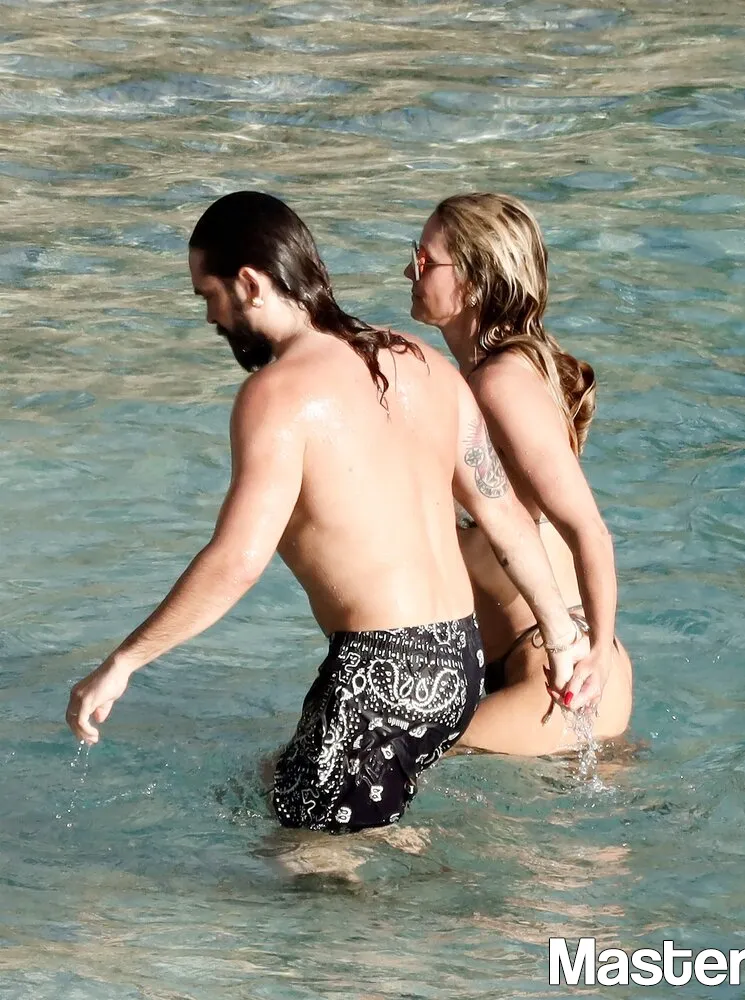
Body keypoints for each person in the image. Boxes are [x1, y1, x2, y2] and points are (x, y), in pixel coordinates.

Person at [66, 191, 584, 833]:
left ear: (250, 283)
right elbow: (505, 519)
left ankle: (424, 898)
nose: (211, 317)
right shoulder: (423, 363)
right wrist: (563, 639)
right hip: (458, 662)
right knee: (283, 785)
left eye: (209, 296)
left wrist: (123, 663)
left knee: (311, 865)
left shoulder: (276, 396)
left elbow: (236, 562)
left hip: (380, 676)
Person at [404, 192, 633, 755]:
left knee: (349, 773)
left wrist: (598, 656)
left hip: (557, 670)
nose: (409, 270)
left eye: (425, 259)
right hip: (534, 665)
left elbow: (588, 528)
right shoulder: (486, 378)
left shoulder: (501, 383)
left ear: (475, 282)